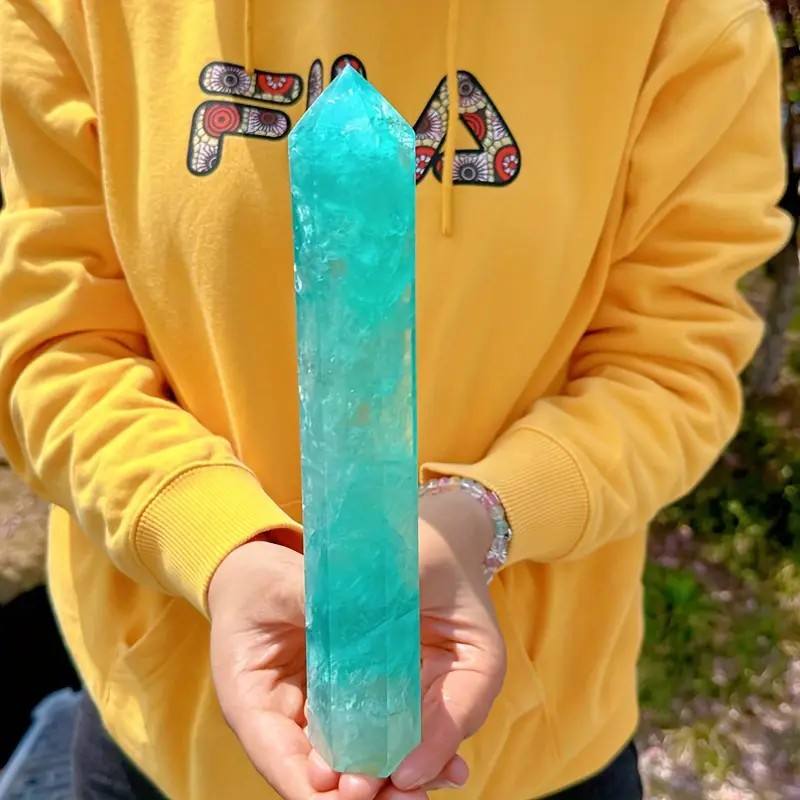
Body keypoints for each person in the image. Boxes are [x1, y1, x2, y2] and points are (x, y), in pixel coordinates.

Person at [0, 1, 789, 799]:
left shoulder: (676, 16)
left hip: (532, 753)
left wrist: (484, 514)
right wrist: (213, 540)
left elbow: (669, 361)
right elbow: (54, 344)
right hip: (167, 735)